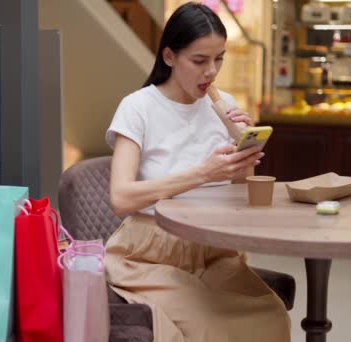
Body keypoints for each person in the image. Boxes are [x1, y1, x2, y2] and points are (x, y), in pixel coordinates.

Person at [104, 3, 290, 341]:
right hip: (149, 255)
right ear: (170, 57)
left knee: (272, 315)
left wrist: (244, 155)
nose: (212, 72)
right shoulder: (138, 108)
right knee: (209, 327)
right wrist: (203, 173)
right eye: (200, 61)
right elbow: (120, 198)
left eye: (219, 59)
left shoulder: (224, 107)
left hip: (212, 249)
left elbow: (238, 188)